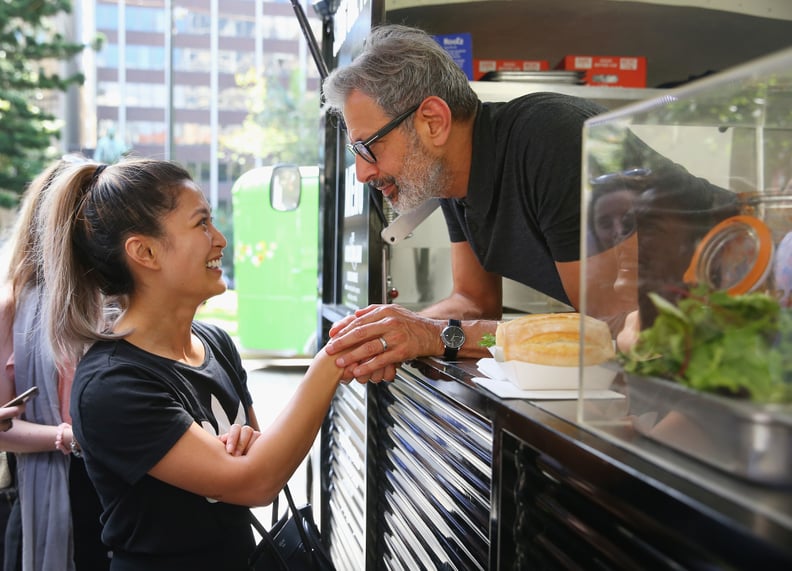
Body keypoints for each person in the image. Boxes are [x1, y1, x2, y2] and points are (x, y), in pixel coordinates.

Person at [39, 157, 356, 570]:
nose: (220, 239)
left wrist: (252, 452)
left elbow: (263, 460)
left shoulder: (215, 342)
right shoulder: (112, 385)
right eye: (201, 223)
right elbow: (257, 481)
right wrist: (332, 360)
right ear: (145, 251)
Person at [321, 24, 639, 381]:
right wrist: (392, 334)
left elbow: (607, 327)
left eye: (368, 147)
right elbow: (475, 302)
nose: (362, 173)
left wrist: (433, 334)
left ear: (433, 122)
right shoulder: (453, 181)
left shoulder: (552, 141)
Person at [0, 157, 111, 571]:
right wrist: (66, 437)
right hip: (40, 498)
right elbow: (2, 430)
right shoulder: (11, 308)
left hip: (114, 492)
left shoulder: (115, 298)